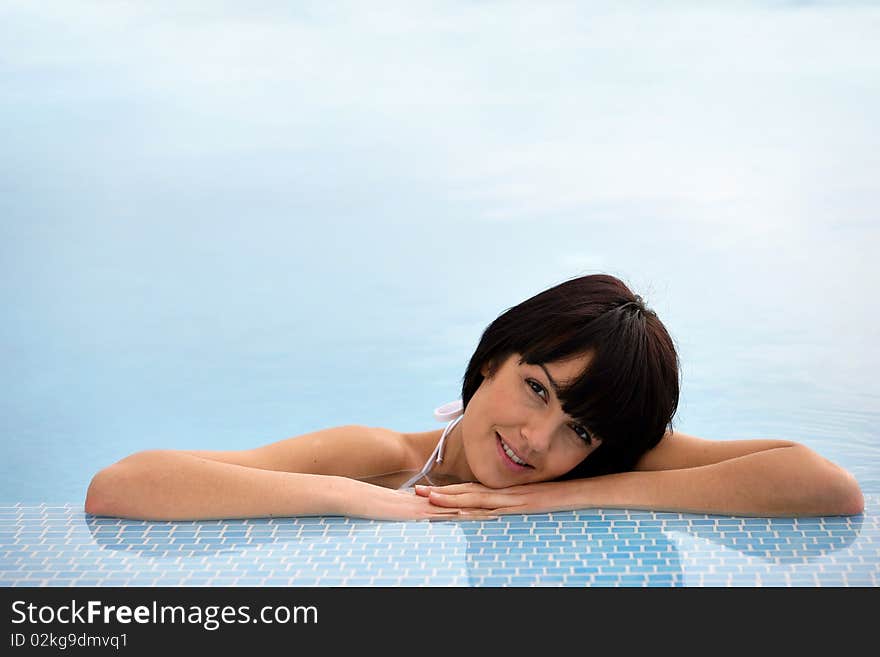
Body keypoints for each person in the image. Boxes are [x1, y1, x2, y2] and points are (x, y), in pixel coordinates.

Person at [84, 274, 864, 521]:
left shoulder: (596, 459)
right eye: (535, 387)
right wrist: (364, 500)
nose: (538, 438)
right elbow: (120, 486)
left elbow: (826, 486)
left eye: (578, 428)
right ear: (491, 360)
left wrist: (561, 501)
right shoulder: (383, 458)